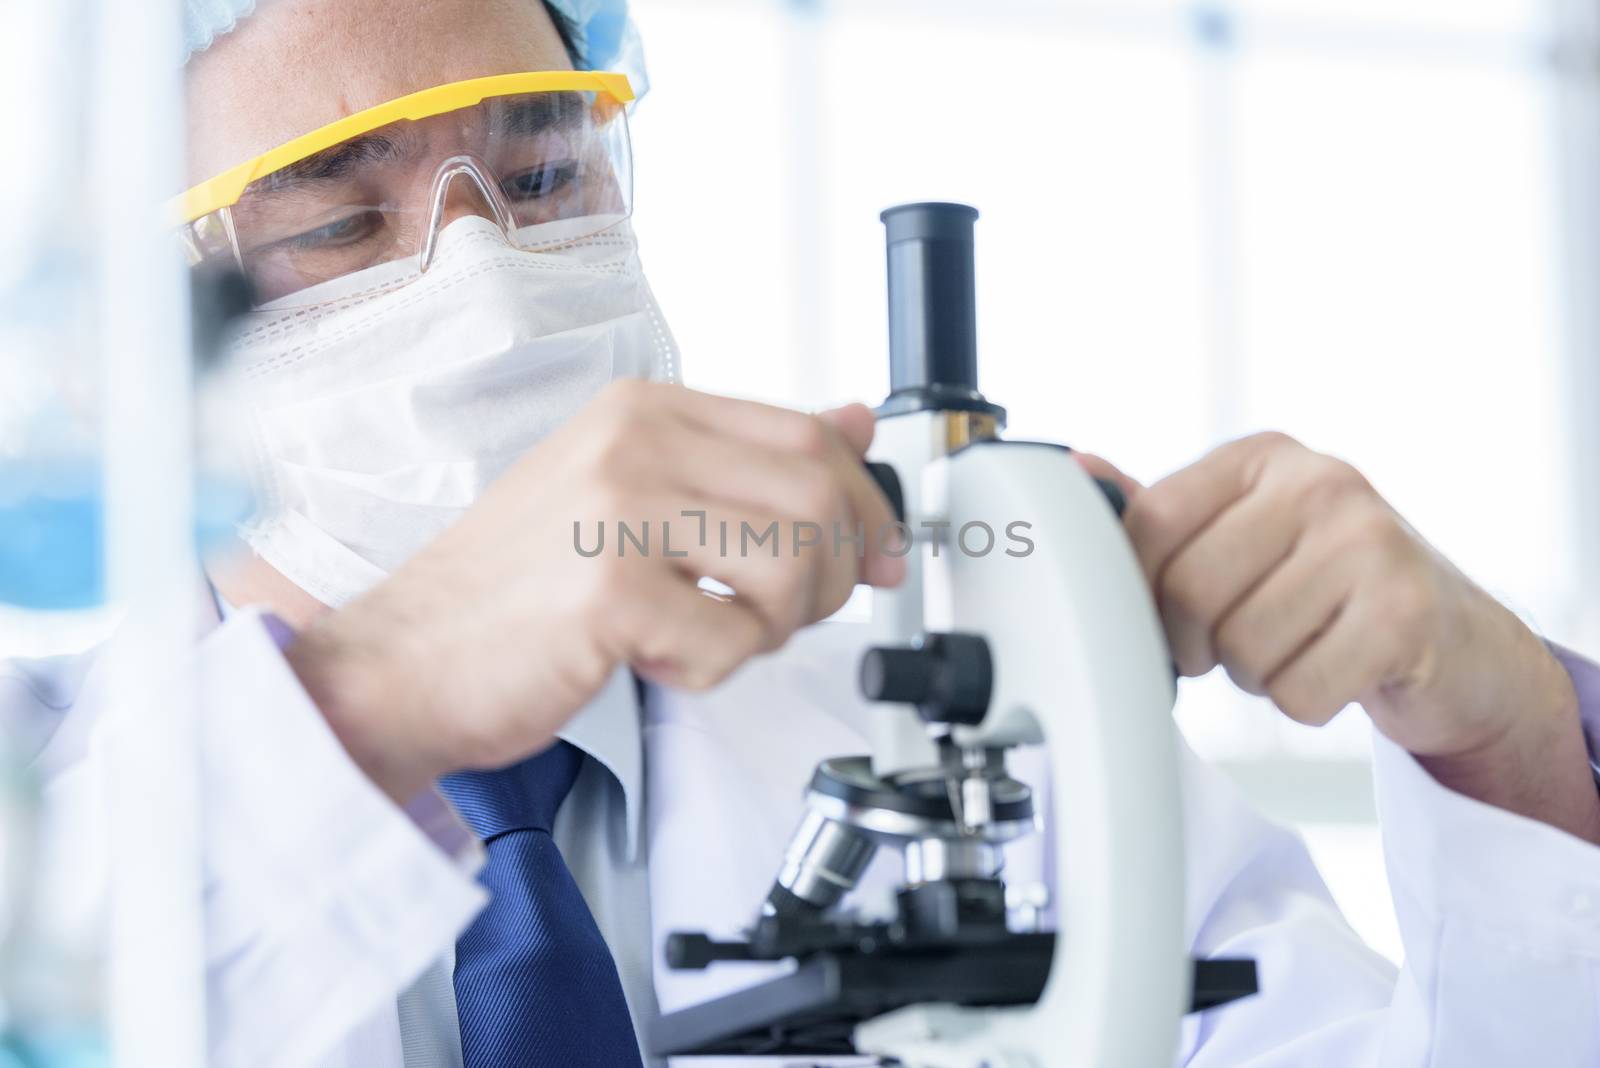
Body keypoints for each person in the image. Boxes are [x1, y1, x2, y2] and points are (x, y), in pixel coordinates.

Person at [15, 0, 1600, 1064]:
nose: (485, 278)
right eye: (335, 219)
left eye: (546, 168)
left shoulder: (1003, 774)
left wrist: (1512, 750)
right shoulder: (43, 803)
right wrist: (377, 696)